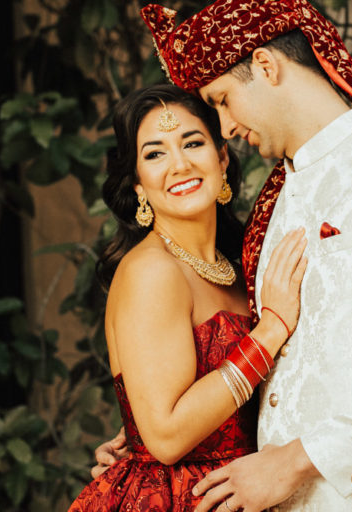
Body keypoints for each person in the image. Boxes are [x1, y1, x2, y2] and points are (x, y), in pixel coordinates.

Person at [129, 1, 352, 511]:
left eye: (223, 100)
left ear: (265, 66)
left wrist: (298, 460)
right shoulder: (272, 207)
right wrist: (146, 444)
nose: (226, 127)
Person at [68, 84, 308, 511]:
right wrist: (270, 331)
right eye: (155, 153)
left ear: (221, 158)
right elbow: (165, 438)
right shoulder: (151, 271)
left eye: (193, 143)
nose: (179, 164)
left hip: (246, 489)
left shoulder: (238, 266)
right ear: (138, 184)